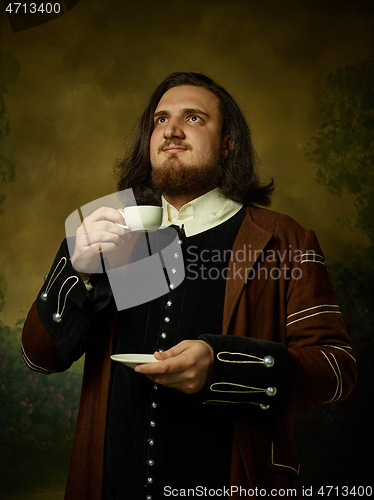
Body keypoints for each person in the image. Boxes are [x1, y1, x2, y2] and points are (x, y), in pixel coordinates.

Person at [22, 72, 357, 500]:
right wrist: (78, 268)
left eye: (194, 118)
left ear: (228, 144)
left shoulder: (286, 240)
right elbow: (39, 358)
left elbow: (336, 368)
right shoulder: (108, 231)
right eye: (160, 120)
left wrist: (222, 366)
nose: (172, 131)